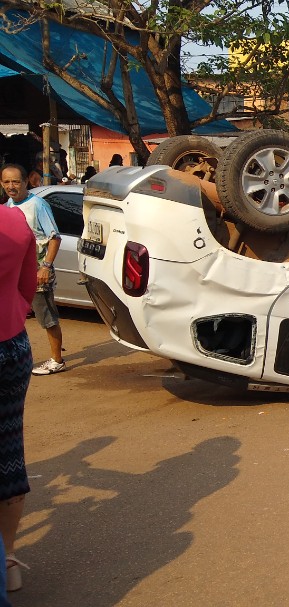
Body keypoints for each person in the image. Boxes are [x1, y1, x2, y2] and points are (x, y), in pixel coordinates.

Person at [0, 201, 38, 594]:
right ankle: (8, 561)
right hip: (12, 345)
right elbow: (28, 286)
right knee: (9, 453)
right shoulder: (15, 220)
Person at [2, 163, 66, 375]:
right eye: (7, 182)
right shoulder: (8, 206)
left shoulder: (37, 205)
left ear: (26, 181)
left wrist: (45, 267)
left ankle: (57, 360)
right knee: (16, 315)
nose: (12, 186)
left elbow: (54, 238)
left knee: (46, 316)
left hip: (37, 272)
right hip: (15, 275)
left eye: (16, 182)